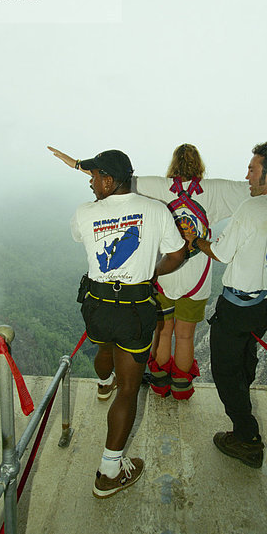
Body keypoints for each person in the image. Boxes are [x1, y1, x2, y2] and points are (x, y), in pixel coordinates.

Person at [47, 144, 267, 401]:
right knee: (186, 336)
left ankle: (160, 383)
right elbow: (264, 186)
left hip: (164, 273)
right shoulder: (217, 190)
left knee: (163, 333)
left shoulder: (157, 186)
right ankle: (181, 387)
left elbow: (118, 178)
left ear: (173, 164)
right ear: (199, 166)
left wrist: (76, 164)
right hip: (197, 277)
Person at [184, 140, 267, 469]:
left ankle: (246, 437)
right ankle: (244, 394)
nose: (247, 175)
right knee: (245, 356)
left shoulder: (252, 209)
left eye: (253, 169)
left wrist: (195, 241)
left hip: (239, 305)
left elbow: (222, 253)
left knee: (225, 371)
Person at [70, 149, 185, 498]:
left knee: (104, 346)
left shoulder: (85, 213)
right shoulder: (155, 210)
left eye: (93, 176)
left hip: (97, 305)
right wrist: (151, 271)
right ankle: (109, 471)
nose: (90, 182)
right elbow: (178, 254)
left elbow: (81, 239)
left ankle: (103, 382)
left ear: (109, 179)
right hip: (134, 307)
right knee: (129, 389)